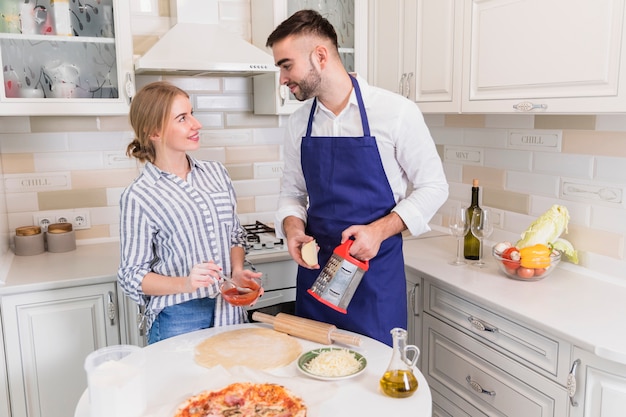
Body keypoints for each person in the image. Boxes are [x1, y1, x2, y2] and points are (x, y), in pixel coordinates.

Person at [266, 10, 449, 346]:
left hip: (374, 281)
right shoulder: (298, 123)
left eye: (286, 65)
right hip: (317, 275)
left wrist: (379, 231)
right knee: (315, 379)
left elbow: (434, 186)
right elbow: (292, 192)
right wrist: (293, 229)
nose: (282, 79)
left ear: (320, 56)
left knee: (374, 383)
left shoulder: (395, 113)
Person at [118, 81, 262, 344]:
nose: (197, 124)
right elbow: (131, 275)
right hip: (179, 315)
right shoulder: (139, 195)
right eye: (183, 118)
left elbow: (235, 236)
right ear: (154, 132)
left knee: (229, 383)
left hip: (229, 308)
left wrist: (238, 271)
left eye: (192, 114)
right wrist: (186, 283)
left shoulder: (216, 174)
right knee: (181, 386)